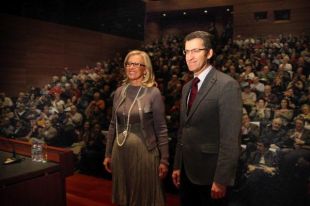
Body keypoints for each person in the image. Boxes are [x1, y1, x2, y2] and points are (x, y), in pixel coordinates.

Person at [172, 31, 243, 206]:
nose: (190, 56)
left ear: (209, 53)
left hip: (211, 176)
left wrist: (221, 179)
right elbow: (184, 129)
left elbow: (230, 138)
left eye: (196, 50)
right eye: (187, 51)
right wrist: (177, 165)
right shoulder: (187, 87)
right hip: (186, 172)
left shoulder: (227, 85)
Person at [103, 50, 169, 206]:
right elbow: (113, 124)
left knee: (144, 198)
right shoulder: (120, 91)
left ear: (145, 69)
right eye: (128, 63)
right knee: (124, 197)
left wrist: (164, 160)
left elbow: (161, 128)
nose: (131, 67)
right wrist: (107, 154)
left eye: (136, 64)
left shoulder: (153, 93)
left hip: (145, 153)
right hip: (120, 152)